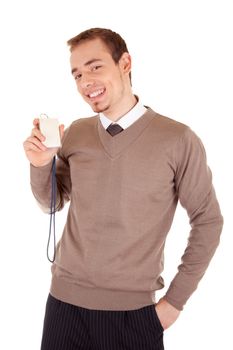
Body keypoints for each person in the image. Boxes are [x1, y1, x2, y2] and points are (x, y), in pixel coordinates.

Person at [23, 28, 223, 350]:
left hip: (135, 316)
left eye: (95, 66)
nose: (85, 81)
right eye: (76, 74)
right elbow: (52, 202)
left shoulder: (177, 139)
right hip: (62, 306)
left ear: (125, 63)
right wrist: (40, 164)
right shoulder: (76, 133)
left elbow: (208, 221)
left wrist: (173, 303)